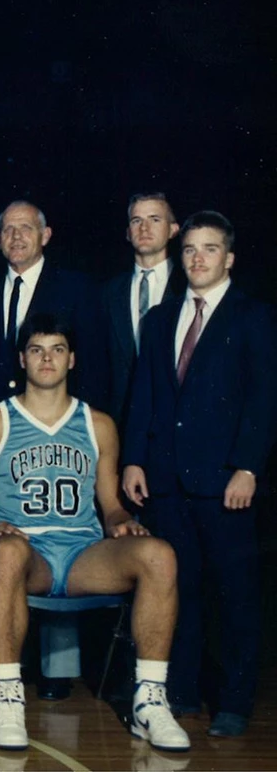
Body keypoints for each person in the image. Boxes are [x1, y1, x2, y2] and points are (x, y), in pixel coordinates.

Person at [0, 312, 189, 752]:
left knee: (160, 554)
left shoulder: (97, 424)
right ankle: (8, 696)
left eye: (57, 350)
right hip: (27, 553)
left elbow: (110, 504)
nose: (47, 359)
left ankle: (150, 699)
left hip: (84, 552)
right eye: (37, 350)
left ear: (72, 360)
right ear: (22, 359)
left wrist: (121, 520)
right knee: (7, 553)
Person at [123, 212, 275, 737]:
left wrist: (248, 468)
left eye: (209, 249)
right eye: (189, 249)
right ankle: (180, 692)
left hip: (225, 482)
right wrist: (134, 460)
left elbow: (264, 401)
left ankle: (233, 700)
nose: (198, 259)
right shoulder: (160, 319)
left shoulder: (254, 317)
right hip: (166, 480)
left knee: (235, 593)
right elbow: (144, 394)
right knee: (175, 589)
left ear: (228, 257)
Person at [0, 201, 106, 410]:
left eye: (25, 228)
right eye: (8, 229)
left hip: (54, 420)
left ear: (45, 235)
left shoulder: (76, 289)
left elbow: (92, 367)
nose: (16, 236)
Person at [102, 193, 183, 427]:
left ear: (173, 230)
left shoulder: (188, 289)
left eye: (155, 219)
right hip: (118, 424)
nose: (144, 228)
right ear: (128, 233)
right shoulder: (107, 294)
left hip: (174, 423)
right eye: (136, 220)